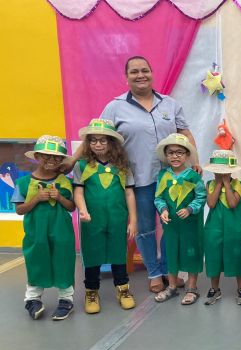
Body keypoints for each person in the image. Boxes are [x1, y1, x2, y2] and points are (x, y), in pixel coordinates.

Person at [63, 56, 199, 293]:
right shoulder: (114, 107)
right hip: (138, 180)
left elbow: (185, 132)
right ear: (126, 77)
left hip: (171, 178)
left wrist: (196, 162)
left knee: (172, 226)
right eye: (134, 72)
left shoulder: (170, 104)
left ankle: (170, 270)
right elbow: (96, 136)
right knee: (145, 228)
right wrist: (73, 160)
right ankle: (154, 273)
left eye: (145, 70)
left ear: (152, 73)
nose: (140, 75)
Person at [73, 119, 138, 314]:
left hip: (118, 218)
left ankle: (123, 290)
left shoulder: (122, 165)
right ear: (88, 143)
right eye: (93, 141)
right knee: (92, 255)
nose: (98, 144)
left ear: (112, 142)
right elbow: (78, 192)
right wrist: (83, 210)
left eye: (103, 140)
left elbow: (129, 193)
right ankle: (91, 292)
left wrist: (133, 221)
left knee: (119, 253)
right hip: (92, 219)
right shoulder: (82, 166)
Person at [13, 136, 76, 320]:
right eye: (46, 156)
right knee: (36, 261)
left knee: (63, 260)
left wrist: (60, 198)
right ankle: (33, 299)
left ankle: (66, 299)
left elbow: (72, 207)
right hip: (35, 232)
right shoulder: (23, 183)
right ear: (38, 156)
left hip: (61, 231)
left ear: (62, 160)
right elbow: (19, 210)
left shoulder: (65, 181)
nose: (51, 160)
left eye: (57, 157)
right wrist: (36, 199)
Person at [153, 134, 206, 305]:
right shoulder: (163, 175)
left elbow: (201, 196)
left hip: (190, 224)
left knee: (191, 253)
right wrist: (163, 210)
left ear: (187, 155)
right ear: (166, 155)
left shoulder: (194, 176)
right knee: (171, 252)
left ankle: (192, 288)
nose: (175, 156)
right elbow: (158, 197)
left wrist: (190, 209)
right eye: (171, 153)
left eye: (179, 152)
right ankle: (172, 286)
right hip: (171, 225)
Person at [202, 131, 241, 306]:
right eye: (217, 172)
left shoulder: (239, 186)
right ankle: (215, 288)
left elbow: (232, 204)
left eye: (223, 172)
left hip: (234, 229)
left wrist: (227, 184)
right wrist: (219, 183)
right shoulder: (210, 185)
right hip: (214, 229)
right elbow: (212, 204)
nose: (220, 174)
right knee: (213, 257)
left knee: (237, 256)